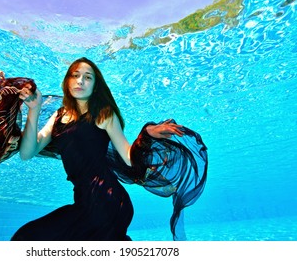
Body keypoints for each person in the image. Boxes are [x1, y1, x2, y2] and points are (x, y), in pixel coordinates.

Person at [10, 57, 188, 241]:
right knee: (24, 238)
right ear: (67, 82)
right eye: (75, 75)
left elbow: (128, 157)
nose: (80, 81)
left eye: (88, 77)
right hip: (84, 203)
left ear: (95, 86)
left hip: (109, 202)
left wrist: (147, 135)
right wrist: (34, 109)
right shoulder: (58, 116)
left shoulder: (103, 114)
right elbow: (27, 153)